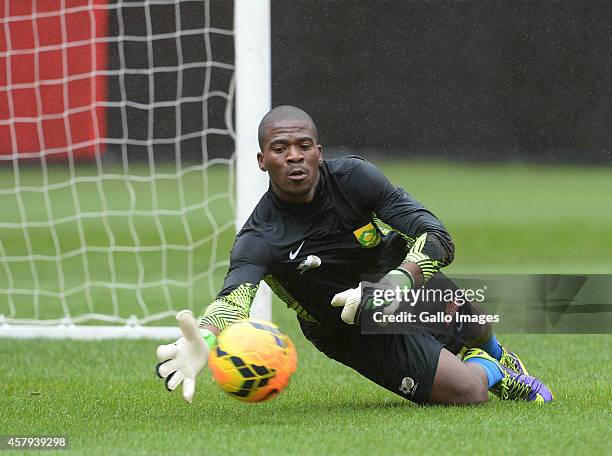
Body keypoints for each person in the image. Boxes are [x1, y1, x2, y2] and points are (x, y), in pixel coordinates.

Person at [155, 105, 553, 405]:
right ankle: (494, 373)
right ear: (263, 161)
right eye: (280, 148)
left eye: (303, 145)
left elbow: (437, 237)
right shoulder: (259, 238)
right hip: (348, 329)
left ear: (318, 152)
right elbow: (233, 301)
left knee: (476, 326)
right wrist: (204, 336)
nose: (294, 155)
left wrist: (392, 285)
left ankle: (501, 359)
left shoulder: (356, 179)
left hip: (399, 285)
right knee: (469, 392)